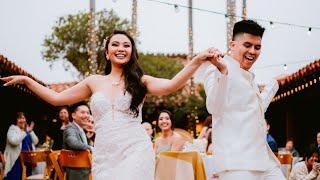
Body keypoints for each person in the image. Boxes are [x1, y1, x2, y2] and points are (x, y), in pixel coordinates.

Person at [1, 30, 219, 180]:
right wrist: (28, 81)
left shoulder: (140, 81)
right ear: (107, 52)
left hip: (136, 149)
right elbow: (56, 99)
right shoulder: (93, 82)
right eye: (115, 44)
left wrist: (196, 61)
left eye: (126, 45)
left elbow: (171, 85)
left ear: (131, 52)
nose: (121, 48)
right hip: (106, 153)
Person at [204, 20, 285, 179]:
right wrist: (223, 73)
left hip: (265, 162)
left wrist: (274, 84)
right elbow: (214, 107)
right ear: (232, 45)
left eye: (257, 47)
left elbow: (257, 107)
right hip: (237, 165)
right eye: (247, 45)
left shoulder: (249, 76)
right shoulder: (215, 69)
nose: (252, 51)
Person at [4, 112, 39, 179]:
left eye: (23, 118)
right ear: (16, 120)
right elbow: (14, 141)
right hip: (16, 160)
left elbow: (36, 141)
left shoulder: (27, 130)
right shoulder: (12, 128)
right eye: (19, 118)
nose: (22, 120)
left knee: (28, 177)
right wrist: (25, 132)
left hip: (28, 160)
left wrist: (30, 131)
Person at [63, 102, 92, 180]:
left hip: (84, 169)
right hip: (76, 171)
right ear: (73, 115)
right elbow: (73, 143)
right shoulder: (70, 128)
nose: (86, 115)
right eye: (82, 112)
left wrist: (88, 139)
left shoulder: (81, 129)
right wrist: (91, 148)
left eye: (88, 113)